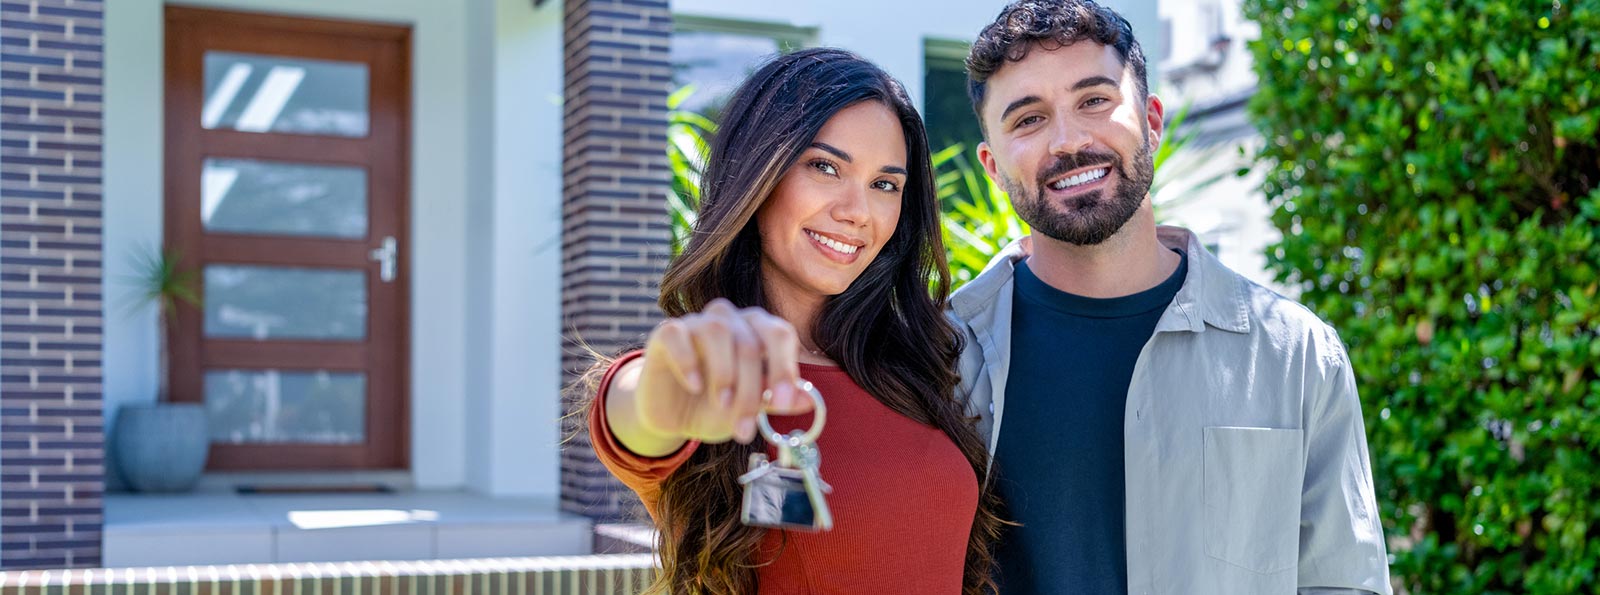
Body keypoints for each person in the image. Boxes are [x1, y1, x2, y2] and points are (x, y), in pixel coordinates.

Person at [950, 1, 1392, 593]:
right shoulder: (938, 355)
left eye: (1095, 100)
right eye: (1028, 119)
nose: (1069, 140)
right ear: (993, 167)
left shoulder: (1296, 356)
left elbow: (1346, 582)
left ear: (1152, 121)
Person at [585, 48, 1004, 595]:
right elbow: (637, 408)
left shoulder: (916, 361)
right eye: (825, 167)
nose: (858, 211)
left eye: (885, 184)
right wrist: (664, 385)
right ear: (760, 172)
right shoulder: (716, 374)